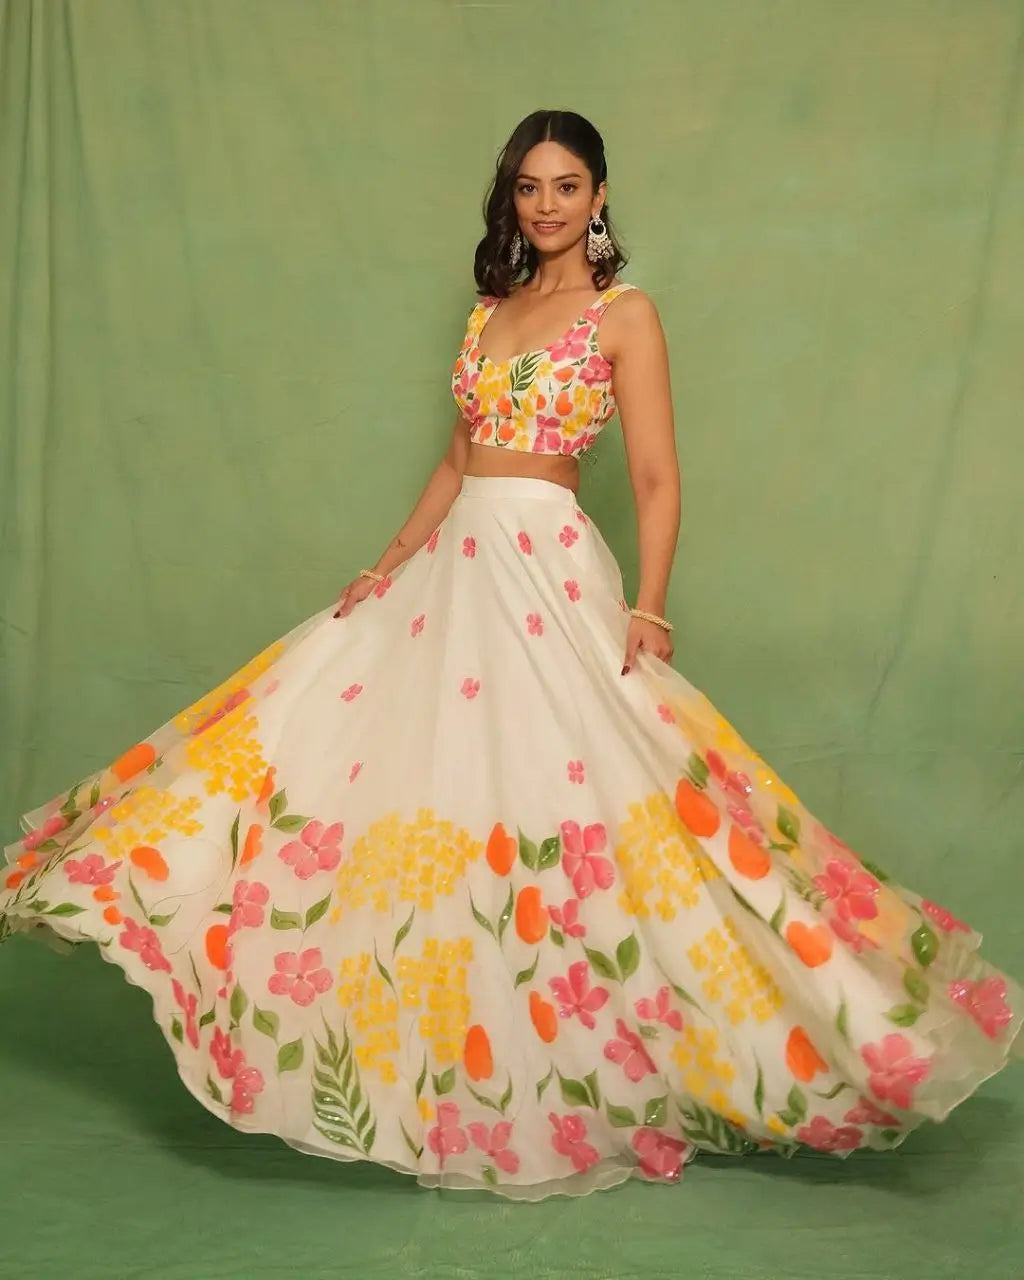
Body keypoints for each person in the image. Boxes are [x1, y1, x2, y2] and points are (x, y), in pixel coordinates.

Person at [1, 109, 1020, 1202]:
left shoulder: (625, 315)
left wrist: (653, 605)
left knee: (590, 789)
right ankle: (436, 1060)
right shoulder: (490, 310)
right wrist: (388, 562)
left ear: (599, 195)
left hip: (546, 567)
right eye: (530, 187)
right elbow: (458, 456)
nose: (546, 205)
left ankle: (780, 1026)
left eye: (566, 185)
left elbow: (657, 477)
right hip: (456, 565)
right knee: (373, 753)